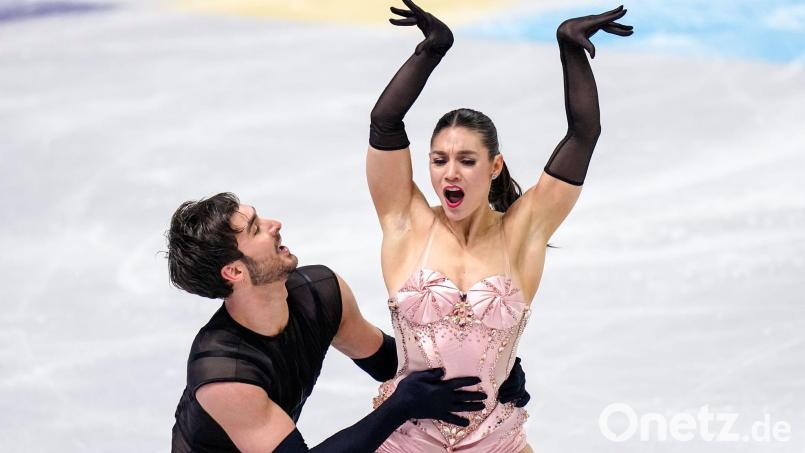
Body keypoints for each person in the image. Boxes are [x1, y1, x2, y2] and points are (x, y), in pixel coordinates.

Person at [365, 1, 633, 451]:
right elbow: (384, 122)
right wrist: (431, 51)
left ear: (494, 167)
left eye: (466, 161)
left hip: (496, 442)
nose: (450, 173)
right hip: (405, 440)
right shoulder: (406, 224)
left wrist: (569, 46)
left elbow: (582, 134)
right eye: (439, 160)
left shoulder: (522, 232)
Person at [167, 193, 531, 452]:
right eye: (255, 229)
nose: (274, 225)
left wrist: (486, 372)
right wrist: (399, 407)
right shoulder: (223, 375)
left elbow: (386, 360)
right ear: (234, 271)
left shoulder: (320, 293)